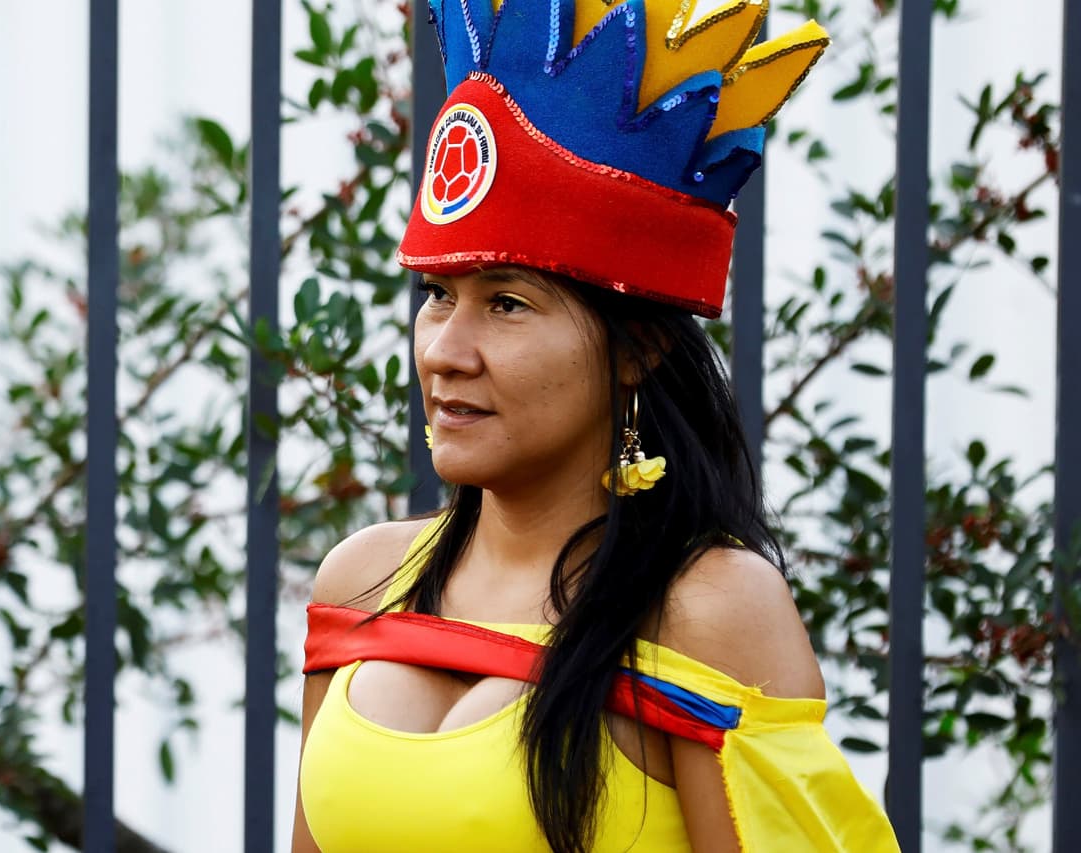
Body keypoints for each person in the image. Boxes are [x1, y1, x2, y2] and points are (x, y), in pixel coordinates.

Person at [293, 1, 902, 850]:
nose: (446, 350)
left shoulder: (705, 611)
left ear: (637, 349)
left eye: (506, 303)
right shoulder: (360, 580)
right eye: (439, 296)